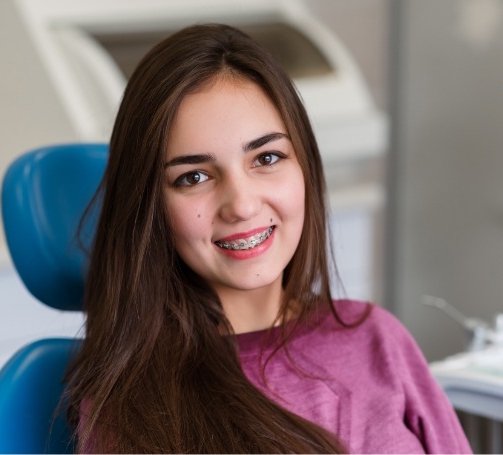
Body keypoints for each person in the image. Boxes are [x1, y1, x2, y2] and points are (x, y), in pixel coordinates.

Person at [66, 23, 471, 453]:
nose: (241, 204)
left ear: (305, 167)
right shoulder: (131, 406)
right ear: (150, 208)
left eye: (267, 157)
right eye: (194, 176)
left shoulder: (377, 338)